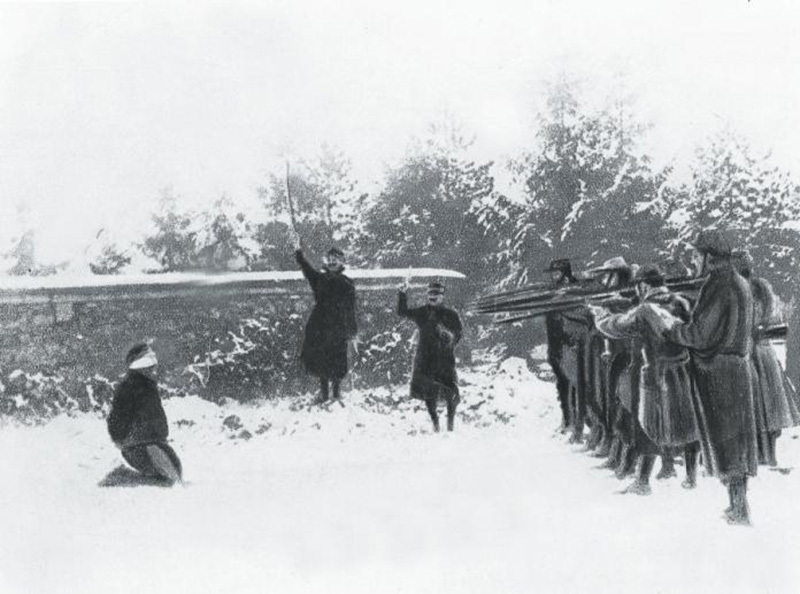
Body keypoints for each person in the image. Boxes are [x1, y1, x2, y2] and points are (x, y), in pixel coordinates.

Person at [661, 229, 758, 526]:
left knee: (728, 442)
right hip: (735, 369)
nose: (693, 260)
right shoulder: (739, 283)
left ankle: (740, 511)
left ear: (709, 257)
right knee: (736, 442)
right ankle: (738, 506)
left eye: (696, 255)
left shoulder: (719, 285)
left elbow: (700, 334)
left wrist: (670, 327)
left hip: (719, 375)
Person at [591, 266, 700, 495]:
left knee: (649, 427)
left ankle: (642, 482)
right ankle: (691, 478)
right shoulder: (681, 302)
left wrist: (599, 316)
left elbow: (617, 327)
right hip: (682, 370)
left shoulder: (644, 310)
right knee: (687, 423)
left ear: (644, 285)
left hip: (655, 373)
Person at [734, 249, 800, 467]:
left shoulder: (742, 289)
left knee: (758, 406)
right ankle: (767, 455)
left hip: (751, 351)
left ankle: (763, 455)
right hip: (764, 351)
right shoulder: (761, 287)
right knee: (770, 406)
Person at [293, 236, 358, 404]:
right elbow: (307, 270)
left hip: (338, 327)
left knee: (337, 359)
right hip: (320, 326)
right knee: (321, 360)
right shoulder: (319, 280)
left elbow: (350, 309)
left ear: (342, 262)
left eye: (335, 260)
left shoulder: (347, 284)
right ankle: (323, 394)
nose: (332, 262)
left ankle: (336, 394)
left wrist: (352, 330)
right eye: (329, 260)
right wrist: (299, 254)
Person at [106, 343, 183, 485]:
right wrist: (123, 441)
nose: (154, 369)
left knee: (173, 472)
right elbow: (117, 419)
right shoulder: (130, 387)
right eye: (150, 366)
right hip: (142, 445)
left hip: (153, 444)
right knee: (174, 482)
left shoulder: (146, 385)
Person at [398, 279, 463, 432]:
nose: (433, 297)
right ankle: (435, 424)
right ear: (427, 295)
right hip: (425, 358)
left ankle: (451, 424)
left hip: (444, 359)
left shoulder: (451, 314)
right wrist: (402, 293)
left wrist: (449, 336)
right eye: (430, 294)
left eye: (436, 294)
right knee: (429, 393)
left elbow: (458, 334)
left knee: (451, 392)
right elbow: (402, 312)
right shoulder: (422, 312)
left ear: (442, 296)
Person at [544, 259, 581, 433]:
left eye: (557, 273)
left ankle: (575, 423)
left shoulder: (574, 291)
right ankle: (566, 420)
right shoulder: (553, 292)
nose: (554, 276)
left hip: (570, 346)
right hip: (556, 345)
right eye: (553, 273)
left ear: (565, 273)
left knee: (573, 385)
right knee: (562, 385)